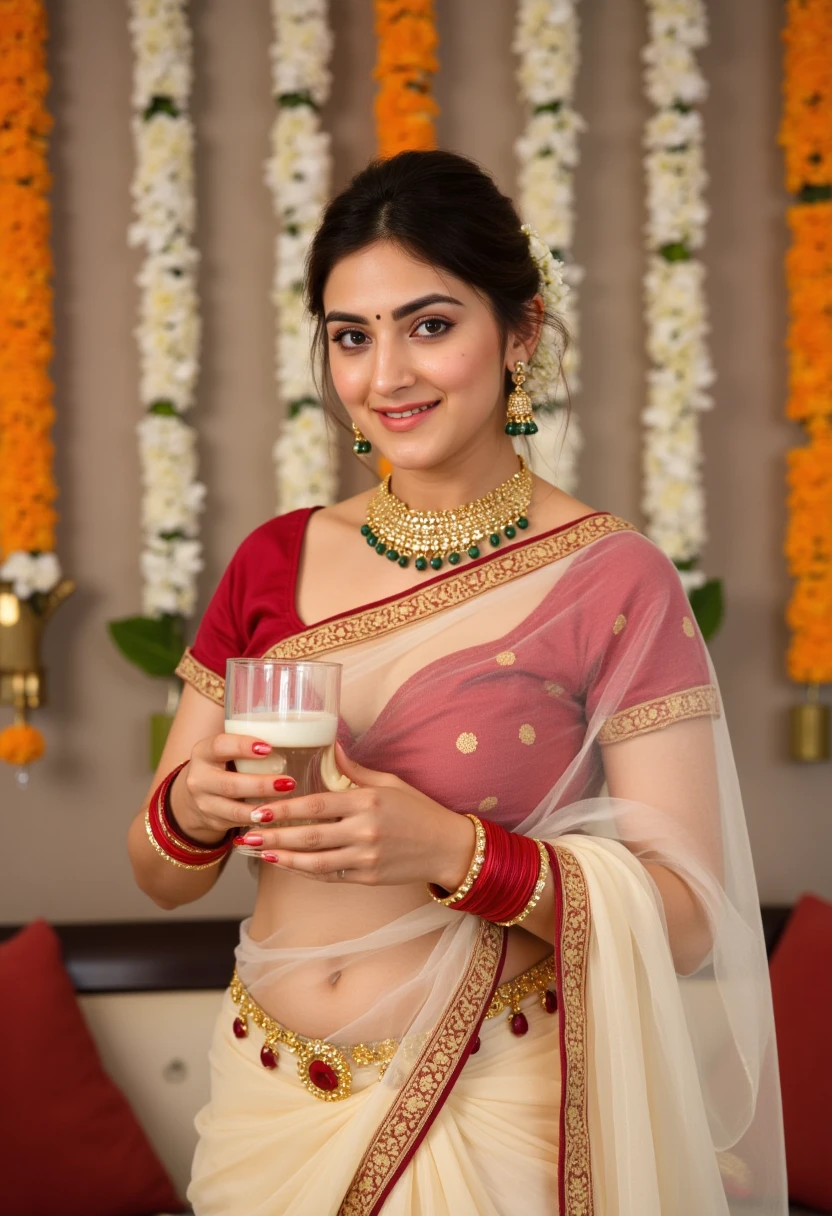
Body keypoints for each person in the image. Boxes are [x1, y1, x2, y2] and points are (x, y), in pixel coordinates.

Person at [127, 150, 787, 1216]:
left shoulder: (611, 577)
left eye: (428, 324)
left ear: (520, 332)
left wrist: (449, 849)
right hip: (261, 1109)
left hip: (488, 1111)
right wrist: (194, 808)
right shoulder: (271, 560)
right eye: (352, 336)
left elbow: (683, 914)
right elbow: (159, 874)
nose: (385, 375)